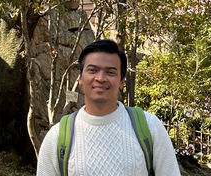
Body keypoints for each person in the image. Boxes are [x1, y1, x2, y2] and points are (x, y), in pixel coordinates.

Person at [36, 39, 181, 176]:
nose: (100, 78)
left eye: (111, 72)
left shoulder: (149, 127)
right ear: (80, 78)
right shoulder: (57, 137)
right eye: (92, 70)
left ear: (122, 81)